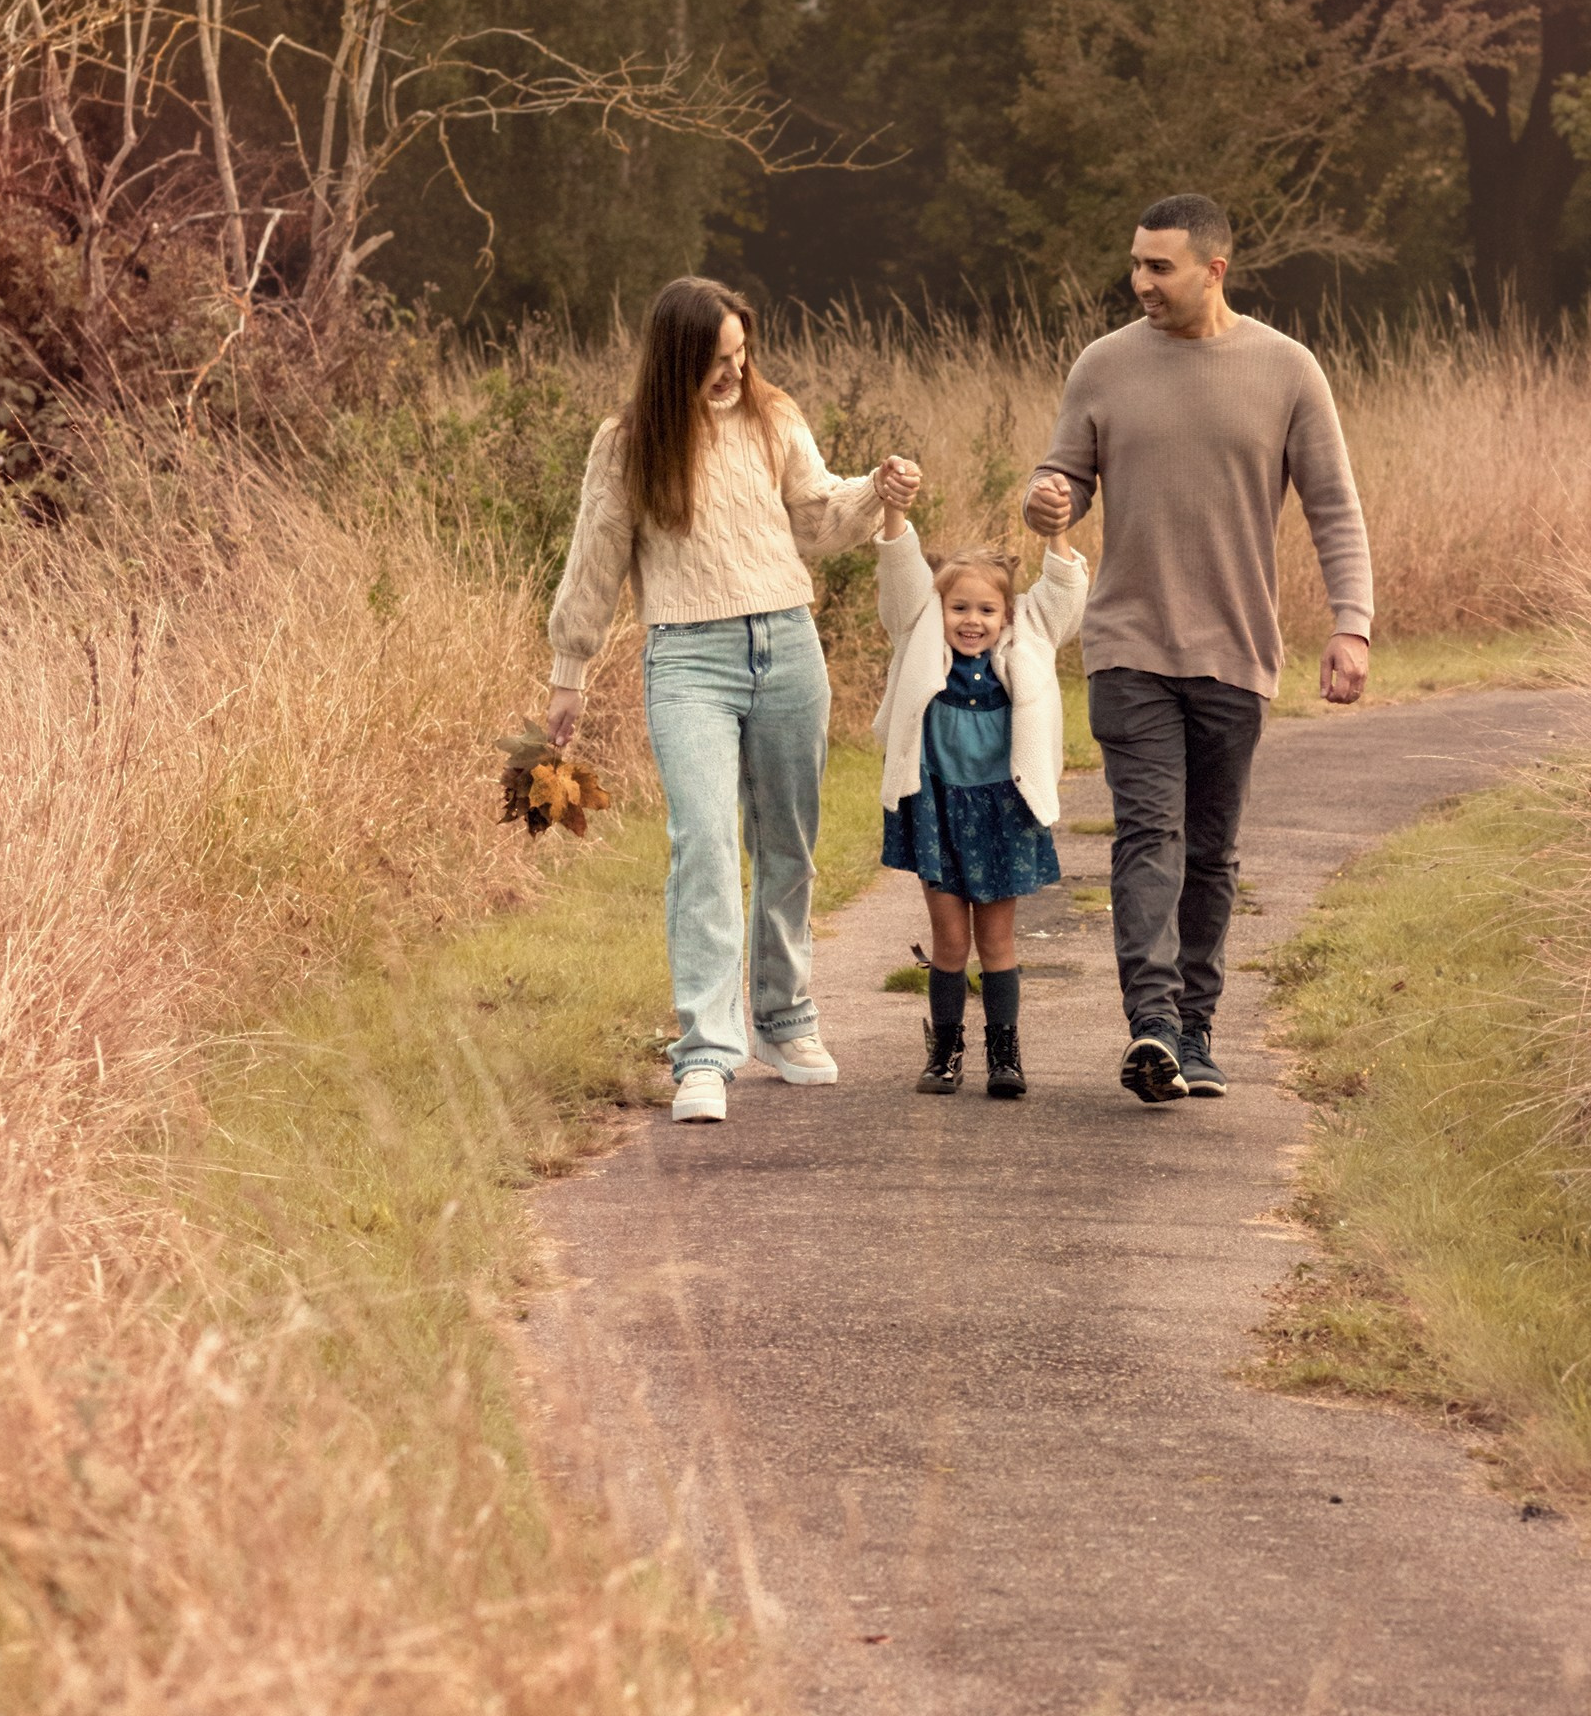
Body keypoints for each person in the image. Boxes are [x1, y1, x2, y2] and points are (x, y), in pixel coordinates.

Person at [545, 276, 921, 1125]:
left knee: (788, 842)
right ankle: (706, 1054)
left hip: (788, 644)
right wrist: (567, 676)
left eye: (742, 355)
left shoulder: (773, 416)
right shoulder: (628, 443)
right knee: (705, 844)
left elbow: (817, 520)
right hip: (688, 659)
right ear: (677, 356)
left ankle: (786, 1020)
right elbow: (594, 561)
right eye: (716, 360)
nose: (733, 373)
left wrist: (877, 490)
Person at [1024, 192, 1372, 1107]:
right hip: (1127, 642)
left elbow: (1334, 506)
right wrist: (1047, 499)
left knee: (1212, 850)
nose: (1140, 281)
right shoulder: (1102, 365)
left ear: (1214, 269)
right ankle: (1154, 1024)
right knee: (1149, 832)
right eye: (1135, 263)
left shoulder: (1287, 369)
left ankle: (1199, 1029)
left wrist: (1352, 623)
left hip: (1236, 648)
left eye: (1159, 266)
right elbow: (1061, 477)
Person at [873, 508, 1087, 1100]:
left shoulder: (1028, 643)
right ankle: (945, 1051)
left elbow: (1065, 590)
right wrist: (893, 512)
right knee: (948, 940)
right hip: (937, 806)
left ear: (1008, 615)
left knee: (996, 941)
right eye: (959, 608)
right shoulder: (918, 640)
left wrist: (1056, 532)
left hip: (1003, 810)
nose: (972, 621)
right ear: (938, 611)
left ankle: (1004, 1053)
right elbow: (899, 575)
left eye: (987, 609)